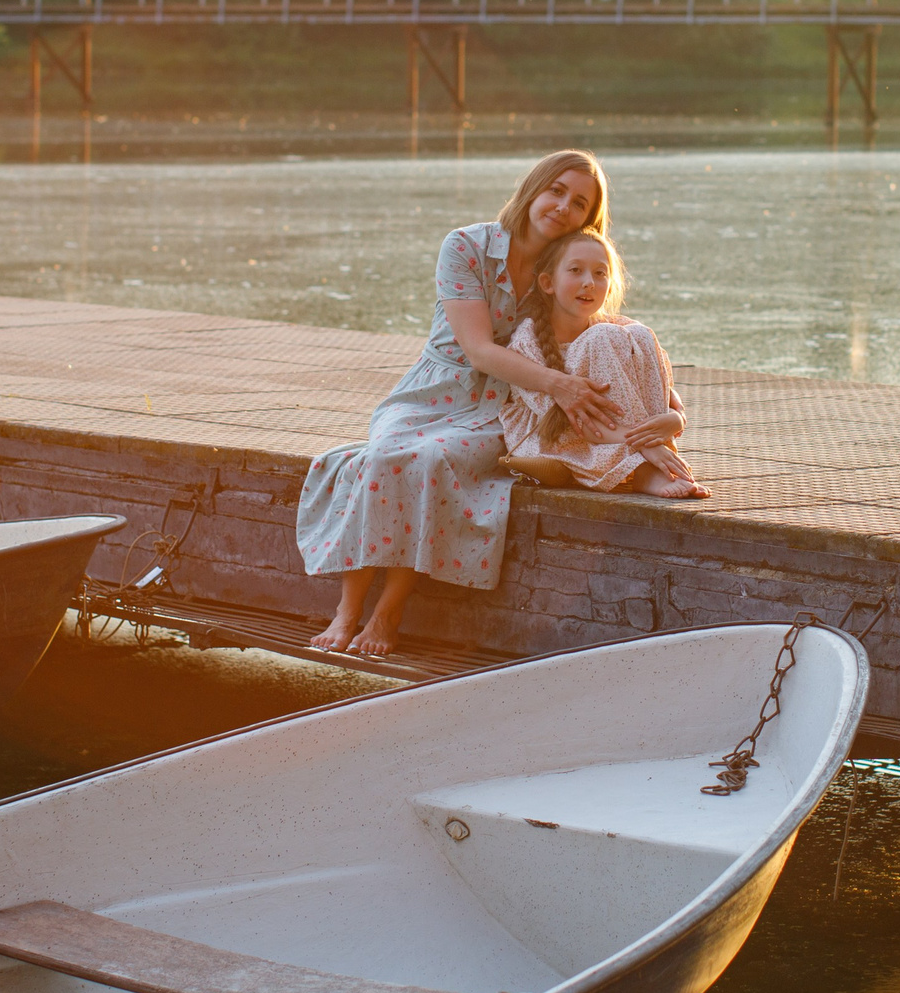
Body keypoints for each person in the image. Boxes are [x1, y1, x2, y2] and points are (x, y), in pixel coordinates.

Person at [296, 150, 624, 657]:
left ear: (588, 218)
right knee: (380, 457)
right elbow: (478, 350)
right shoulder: (466, 246)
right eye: (556, 190)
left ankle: (388, 611)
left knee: (431, 460)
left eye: (579, 203)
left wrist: (661, 400)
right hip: (430, 391)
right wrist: (560, 386)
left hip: (503, 405)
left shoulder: (566, 267)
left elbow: (600, 328)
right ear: (533, 189)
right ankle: (347, 609)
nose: (563, 206)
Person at [498, 231, 708, 499]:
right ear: (548, 283)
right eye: (575, 270)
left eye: (600, 273)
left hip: (618, 433)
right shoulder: (528, 340)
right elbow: (573, 422)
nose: (589, 282)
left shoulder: (618, 328)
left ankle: (655, 457)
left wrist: (676, 418)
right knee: (602, 336)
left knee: (640, 333)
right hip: (554, 435)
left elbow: (660, 387)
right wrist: (644, 444)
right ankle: (644, 468)